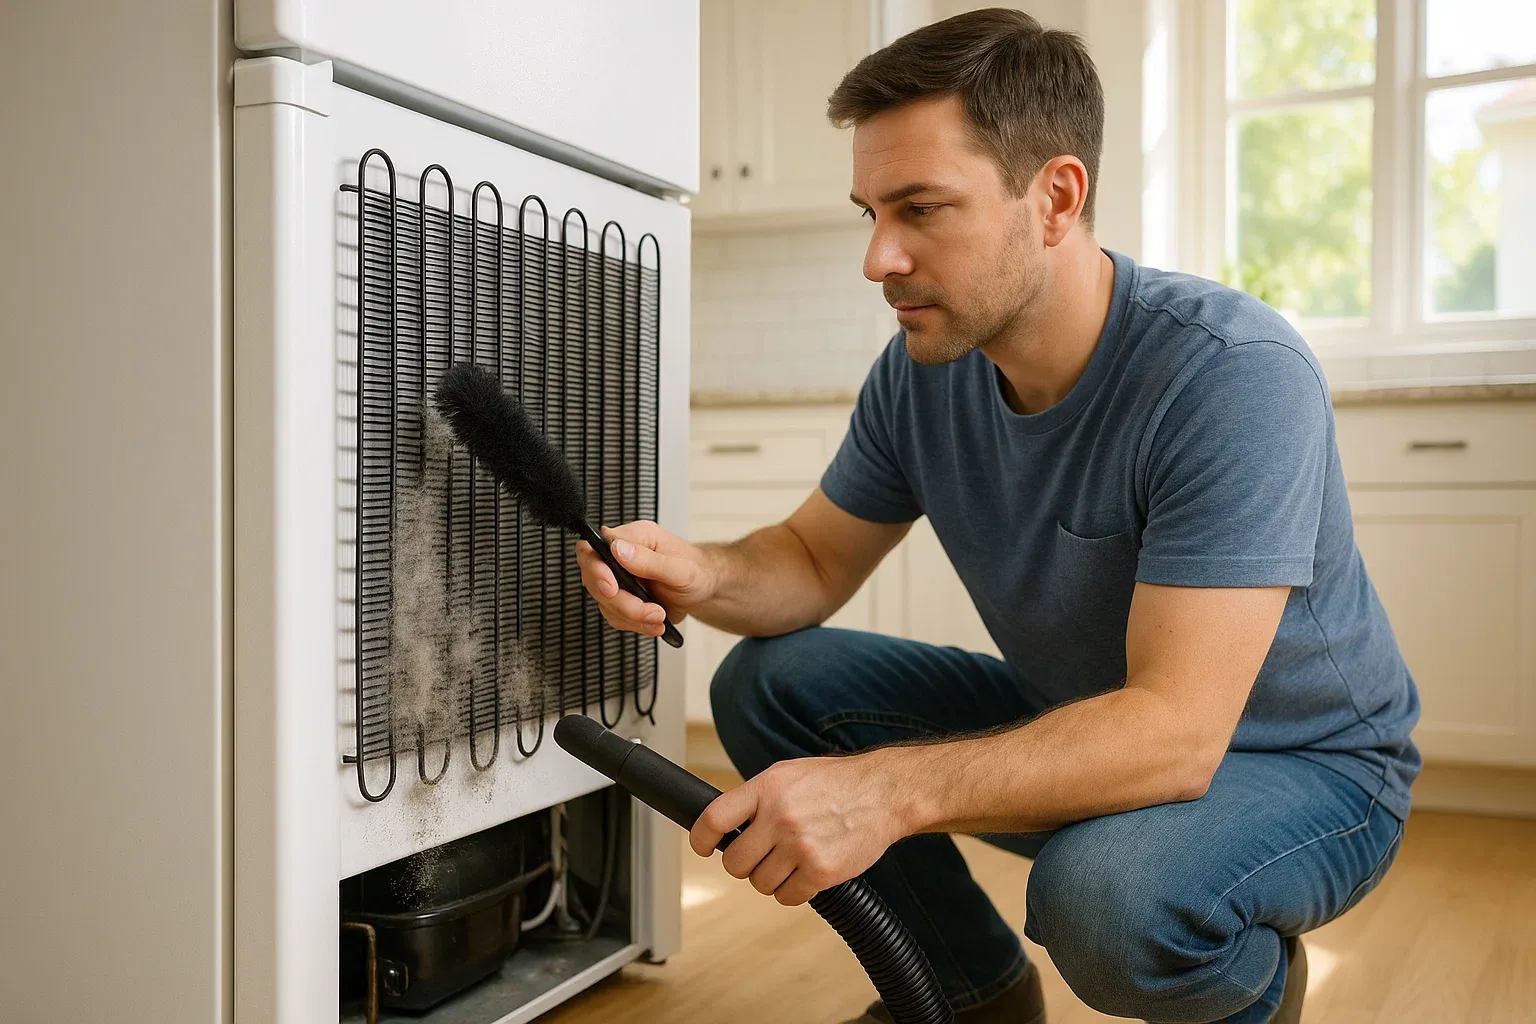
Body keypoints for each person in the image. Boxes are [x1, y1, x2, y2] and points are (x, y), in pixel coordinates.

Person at [575, 9, 1418, 1023]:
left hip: (1305, 767)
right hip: (1093, 721)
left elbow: (1174, 734)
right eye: (870, 212)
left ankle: (1249, 993)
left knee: (1105, 897)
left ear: (1056, 197)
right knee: (774, 681)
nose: (879, 257)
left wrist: (881, 793)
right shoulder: (926, 372)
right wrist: (703, 573)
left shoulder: (1229, 376)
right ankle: (971, 990)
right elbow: (808, 558)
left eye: (922, 208)